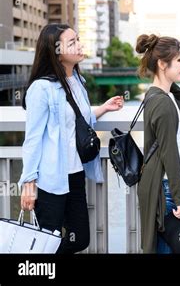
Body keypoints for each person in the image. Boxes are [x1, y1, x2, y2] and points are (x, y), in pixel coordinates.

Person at [19, 23, 124, 253]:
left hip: (75, 174)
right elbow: (33, 139)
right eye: (72, 42)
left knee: (80, 239)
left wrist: (103, 109)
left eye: (78, 39)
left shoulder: (77, 81)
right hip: (50, 180)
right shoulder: (41, 88)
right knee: (48, 241)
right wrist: (29, 183)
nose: (79, 45)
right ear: (55, 51)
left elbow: (77, 122)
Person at [135, 34, 180, 254]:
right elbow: (170, 155)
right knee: (172, 248)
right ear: (162, 63)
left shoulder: (158, 95)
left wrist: (166, 80)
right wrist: (179, 200)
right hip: (166, 191)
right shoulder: (162, 103)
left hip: (162, 187)